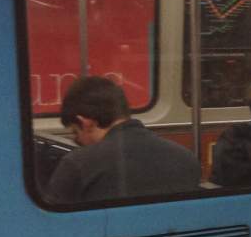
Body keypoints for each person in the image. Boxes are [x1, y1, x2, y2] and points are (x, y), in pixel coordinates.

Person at [45, 76, 201, 203]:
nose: (77, 140)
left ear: (86, 123)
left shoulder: (78, 164)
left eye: (75, 132)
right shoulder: (186, 158)